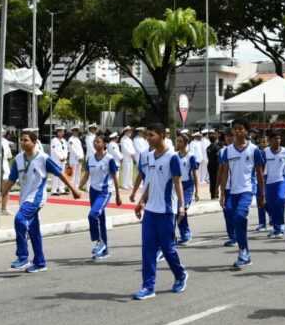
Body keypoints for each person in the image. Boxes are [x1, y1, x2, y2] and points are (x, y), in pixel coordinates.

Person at [0, 131, 81, 273]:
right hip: (24, 198)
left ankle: (23, 256)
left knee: (19, 219)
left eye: (25, 140)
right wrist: (1, 195)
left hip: (37, 197)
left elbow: (59, 173)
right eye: (21, 140)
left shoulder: (43, 158)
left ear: (34, 142)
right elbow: (11, 180)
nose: (22, 142)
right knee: (33, 230)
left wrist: (74, 189)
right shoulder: (18, 159)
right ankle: (40, 262)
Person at [132, 123, 188, 300]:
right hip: (150, 210)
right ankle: (148, 287)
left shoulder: (172, 157)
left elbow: (177, 182)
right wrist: (141, 201)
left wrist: (181, 206)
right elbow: (150, 182)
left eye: (152, 135)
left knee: (167, 248)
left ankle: (180, 274)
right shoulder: (149, 156)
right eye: (147, 135)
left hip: (166, 210)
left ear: (162, 135)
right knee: (148, 249)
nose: (148, 139)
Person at [217, 118, 266, 268]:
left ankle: (243, 251)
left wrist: (262, 194)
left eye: (240, 128)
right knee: (236, 220)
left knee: (239, 217)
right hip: (232, 192)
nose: (237, 131)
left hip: (247, 190)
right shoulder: (227, 151)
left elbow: (260, 174)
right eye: (235, 128)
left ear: (246, 131)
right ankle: (244, 253)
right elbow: (225, 172)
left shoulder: (254, 149)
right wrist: (222, 192)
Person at [77, 133, 123, 258]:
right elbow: (86, 175)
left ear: (104, 144)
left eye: (99, 141)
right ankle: (105, 250)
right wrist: (78, 188)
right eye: (95, 141)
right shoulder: (90, 158)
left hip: (104, 191)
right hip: (93, 191)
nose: (96, 143)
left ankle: (99, 241)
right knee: (100, 219)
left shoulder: (109, 159)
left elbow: (115, 177)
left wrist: (118, 195)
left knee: (92, 215)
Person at [262, 128, 285, 240]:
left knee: (280, 200)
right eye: (275, 139)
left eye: (279, 138)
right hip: (269, 182)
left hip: (281, 180)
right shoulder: (265, 152)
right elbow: (261, 166)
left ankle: (280, 225)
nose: (277, 140)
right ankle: (276, 227)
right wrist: (261, 179)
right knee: (271, 205)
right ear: (270, 140)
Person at [174, 134, 199, 245]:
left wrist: (197, 191)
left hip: (188, 186)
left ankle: (185, 234)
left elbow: (195, 175)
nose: (178, 143)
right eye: (177, 141)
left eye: (180, 141)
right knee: (177, 210)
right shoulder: (174, 156)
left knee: (181, 209)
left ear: (185, 143)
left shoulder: (191, 156)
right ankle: (182, 234)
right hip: (176, 186)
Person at [49, 126, 70, 196]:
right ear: (57, 132)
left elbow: (66, 150)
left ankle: (61, 189)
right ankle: (54, 190)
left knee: (62, 175)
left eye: (63, 131)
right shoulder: (54, 140)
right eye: (60, 131)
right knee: (55, 175)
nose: (62, 133)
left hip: (63, 161)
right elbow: (55, 151)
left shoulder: (64, 141)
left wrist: (65, 157)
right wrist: (61, 157)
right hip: (56, 160)